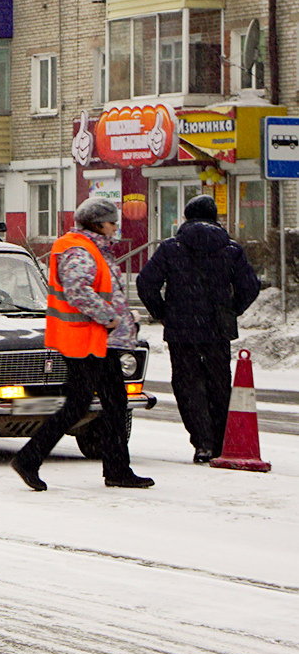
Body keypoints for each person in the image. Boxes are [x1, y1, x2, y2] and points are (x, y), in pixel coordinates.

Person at [13, 198, 153, 490]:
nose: (116, 228)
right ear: (99, 223)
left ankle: (117, 470)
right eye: (113, 222)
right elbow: (78, 290)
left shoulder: (90, 247)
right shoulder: (80, 249)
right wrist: (109, 317)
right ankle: (30, 458)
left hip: (97, 341)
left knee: (113, 403)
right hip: (86, 340)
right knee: (81, 405)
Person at [136, 194, 262, 463]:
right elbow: (250, 286)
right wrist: (231, 310)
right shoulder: (231, 249)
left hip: (181, 330)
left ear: (186, 218)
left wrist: (162, 313)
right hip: (217, 329)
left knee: (187, 384)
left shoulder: (171, 248)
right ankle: (219, 441)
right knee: (219, 384)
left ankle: (202, 442)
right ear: (215, 218)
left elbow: (146, 283)